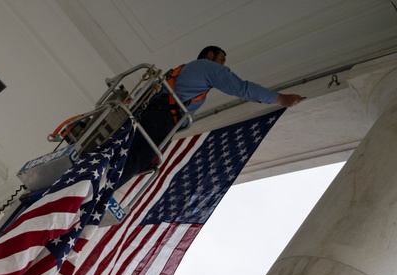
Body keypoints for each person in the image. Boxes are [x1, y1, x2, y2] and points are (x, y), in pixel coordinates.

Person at [117, 45, 305, 186]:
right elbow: (242, 88)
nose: (223, 65)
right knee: (138, 159)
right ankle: (99, 195)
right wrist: (280, 99)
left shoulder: (179, 71)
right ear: (210, 55)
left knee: (126, 154)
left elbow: (146, 90)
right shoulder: (207, 67)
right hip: (161, 120)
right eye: (221, 59)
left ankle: (97, 185)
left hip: (146, 116)